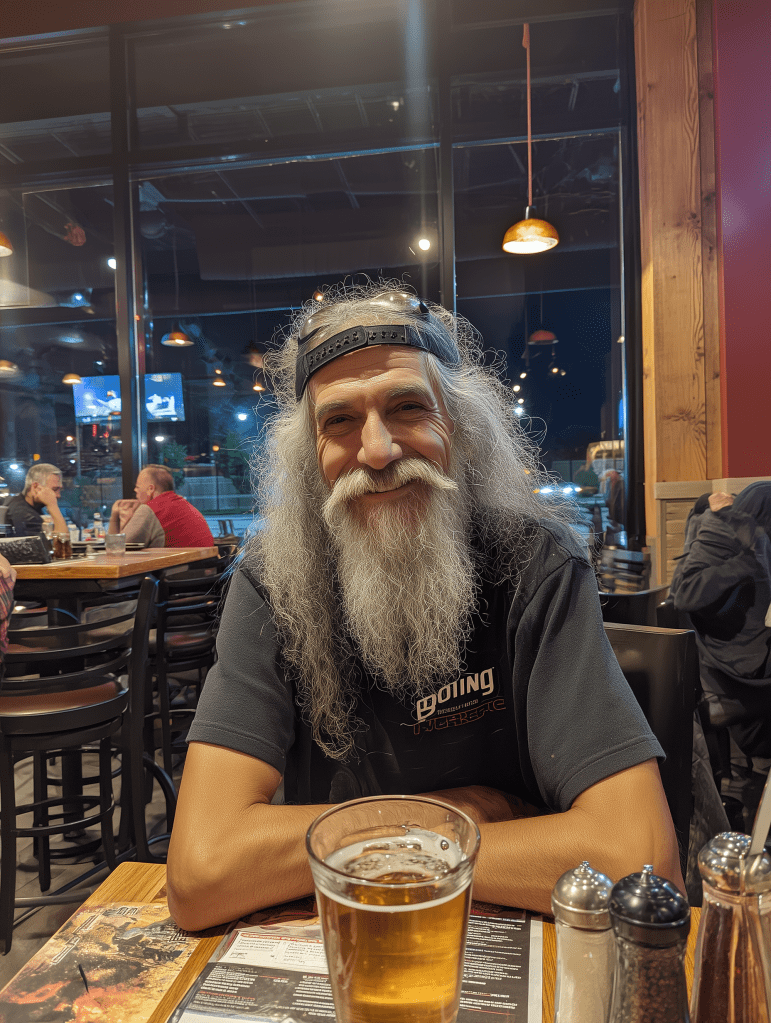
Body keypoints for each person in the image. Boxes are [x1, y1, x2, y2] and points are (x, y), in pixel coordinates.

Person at [167, 282, 682, 932]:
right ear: (311, 459)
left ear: (460, 430)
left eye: (407, 407)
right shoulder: (272, 583)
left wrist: (343, 844)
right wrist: (442, 817)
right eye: (340, 421)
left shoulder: (532, 564)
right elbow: (202, 873)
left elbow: (639, 863)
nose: (377, 451)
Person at [670, 483, 771, 760]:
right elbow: (685, 594)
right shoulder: (732, 542)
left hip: (735, 659)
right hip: (737, 667)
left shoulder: (745, 539)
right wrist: (745, 565)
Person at [109, 465, 213, 548]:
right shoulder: (183, 504)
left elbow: (116, 548)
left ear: (150, 489)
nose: (135, 490)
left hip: (177, 572)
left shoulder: (150, 509)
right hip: (204, 571)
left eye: (137, 487)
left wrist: (115, 516)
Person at [5, 463, 68, 538]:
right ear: (35, 487)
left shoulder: (20, 503)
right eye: (54, 489)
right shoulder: (24, 514)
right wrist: (53, 506)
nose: (58, 495)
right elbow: (62, 543)